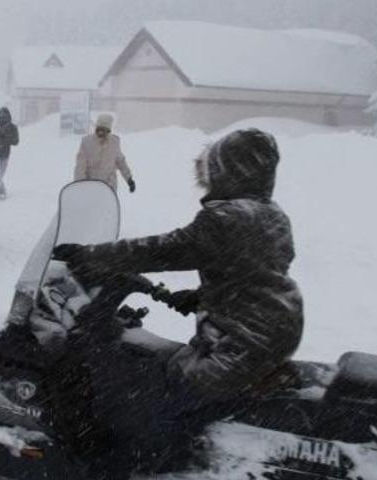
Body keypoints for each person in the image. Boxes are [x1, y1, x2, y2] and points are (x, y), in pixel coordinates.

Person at [53, 129, 303, 476]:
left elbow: (165, 249)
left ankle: (151, 468)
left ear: (228, 171)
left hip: (243, 342)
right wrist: (205, 297)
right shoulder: (270, 213)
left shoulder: (226, 218)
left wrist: (92, 255)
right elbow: (257, 272)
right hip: (274, 326)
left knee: (155, 400)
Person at [74, 114, 135, 193]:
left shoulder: (114, 142)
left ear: (108, 130)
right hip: (90, 184)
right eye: (98, 129)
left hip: (109, 186)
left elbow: (121, 162)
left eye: (103, 130)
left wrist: (129, 179)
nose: (100, 132)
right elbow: (80, 166)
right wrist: (79, 184)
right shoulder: (86, 142)